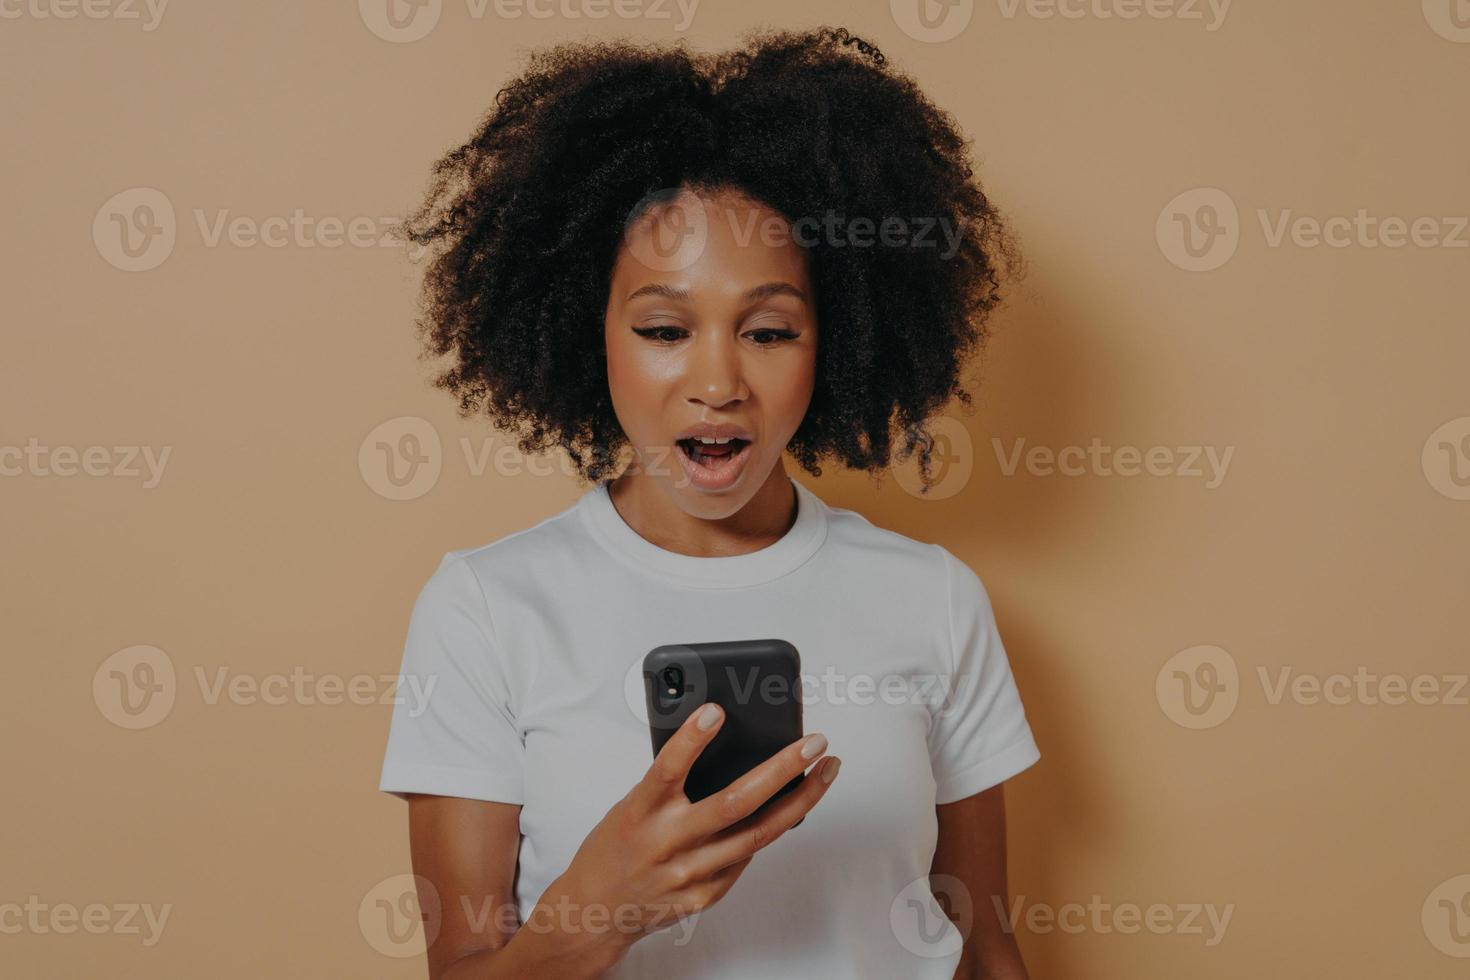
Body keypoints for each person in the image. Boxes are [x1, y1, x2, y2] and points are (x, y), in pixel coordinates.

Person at [379, 25, 1038, 979]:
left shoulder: (932, 596)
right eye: (663, 327)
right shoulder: (485, 609)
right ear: (584, 329)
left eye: (769, 330)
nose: (717, 381)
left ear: (837, 340)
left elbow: (984, 944)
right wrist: (596, 911)